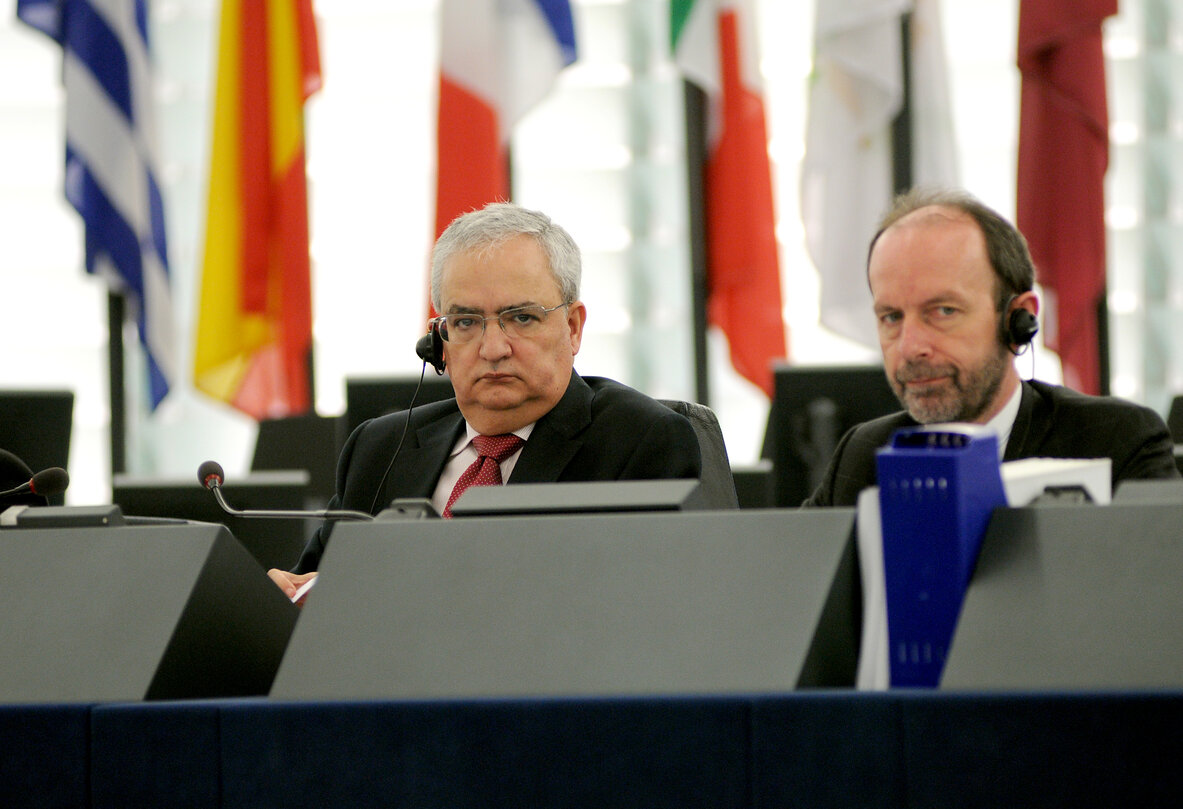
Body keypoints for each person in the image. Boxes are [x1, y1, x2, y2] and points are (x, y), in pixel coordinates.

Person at [269, 202, 702, 598]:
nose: (493, 348)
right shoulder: (380, 449)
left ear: (572, 327)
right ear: (439, 342)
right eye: (466, 322)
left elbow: (643, 612)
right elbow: (312, 599)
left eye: (521, 318)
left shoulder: (638, 441)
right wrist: (282, 600)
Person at [805, 187, 1179, 508]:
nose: (910, 347)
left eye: (943, 311)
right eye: (891, 317)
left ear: (1018, 319)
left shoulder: (1117, 442)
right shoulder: (862, 458)